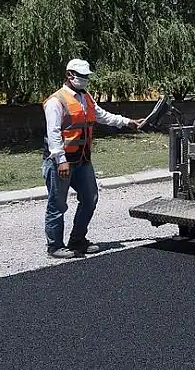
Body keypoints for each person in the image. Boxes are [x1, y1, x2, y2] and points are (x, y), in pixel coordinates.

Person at [42, 59, 144, 258]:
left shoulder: (85, 97)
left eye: (87, 77)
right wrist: (60, 160)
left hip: (82, 160)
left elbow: (102, 115)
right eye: (82, 76)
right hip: (61, 163)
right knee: (58, 204)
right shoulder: (56, 101)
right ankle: (54, 246)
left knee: (90, 198)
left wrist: (127, 122)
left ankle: (77, 240)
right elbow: (53, 133)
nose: (85, 80)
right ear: (69, 76)